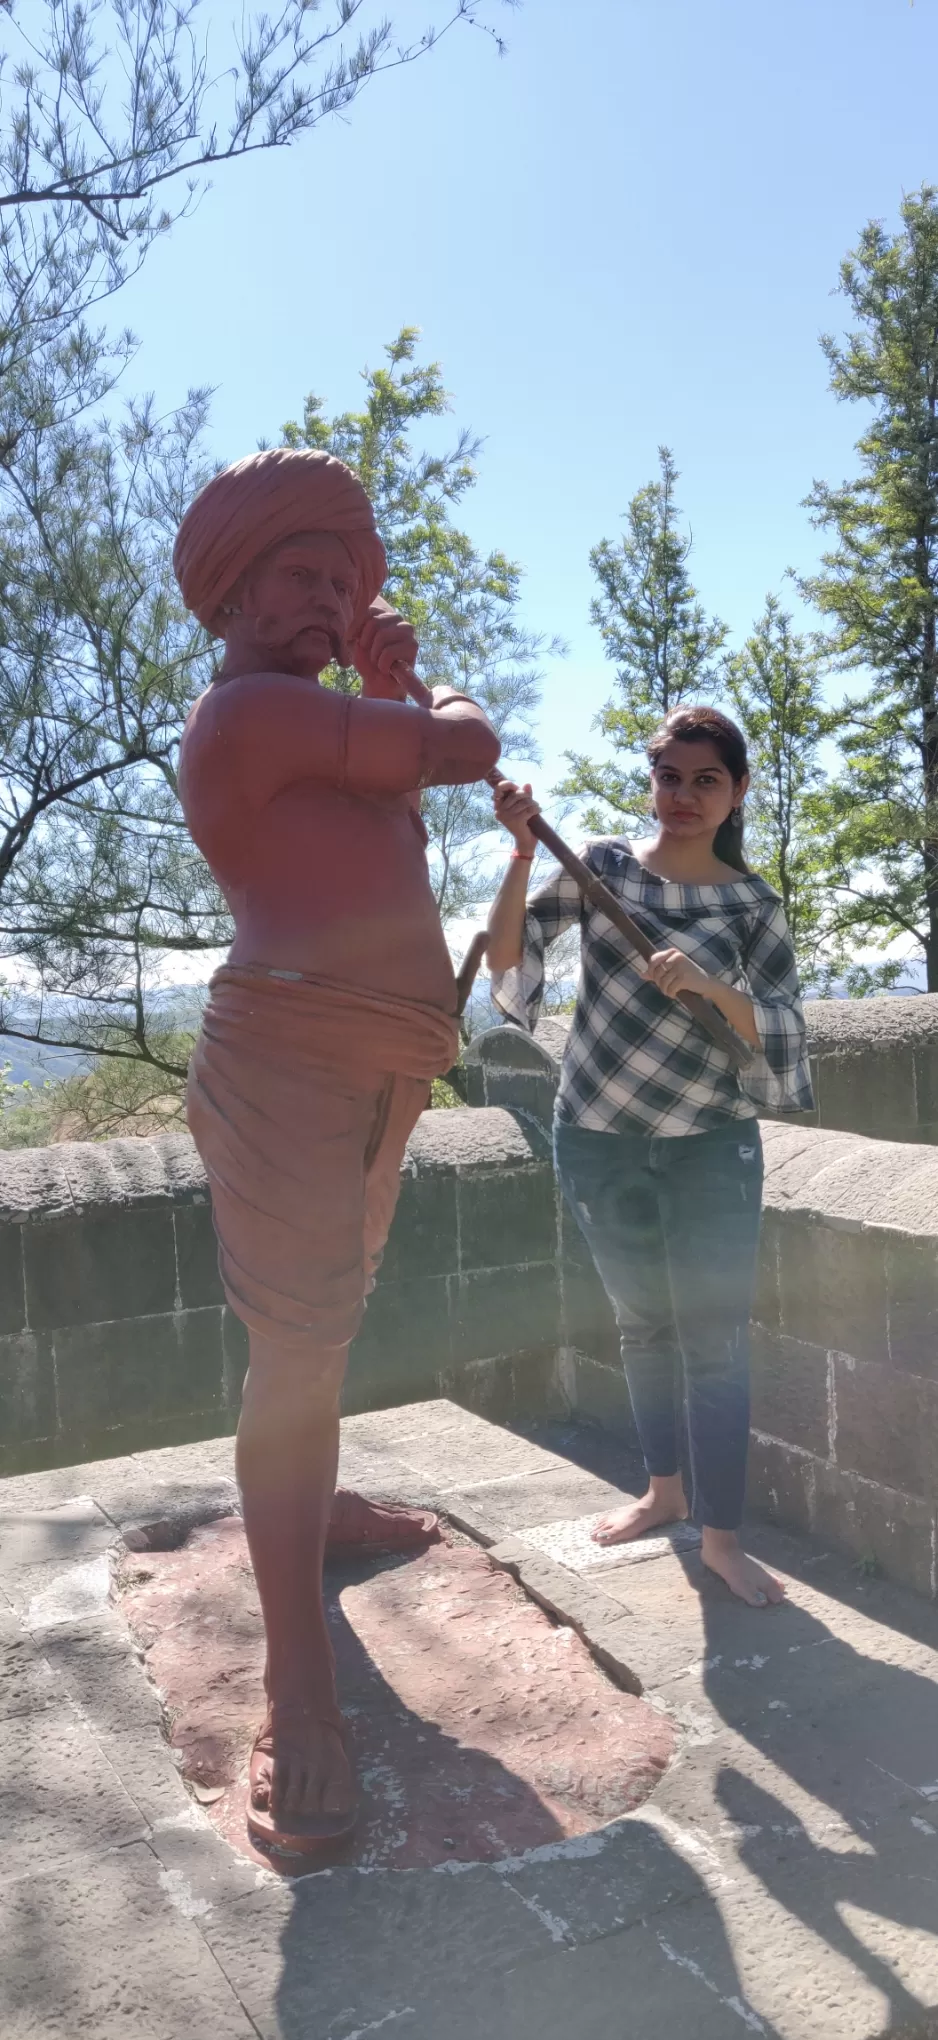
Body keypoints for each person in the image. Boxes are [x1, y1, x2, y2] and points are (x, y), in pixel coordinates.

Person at [173, 447, 500, 1855]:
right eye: (302, 572)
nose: (329, 595)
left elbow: (398, 810)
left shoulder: (315, 720)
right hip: (291, 1067)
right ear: (237, 584)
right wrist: (418, 680)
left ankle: (309, 1512)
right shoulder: (250, 715)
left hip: (378, 1069)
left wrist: (381, 685)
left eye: (344, 576)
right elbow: (461, 750)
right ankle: (298, 1700)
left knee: (328, 1324)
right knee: (297, 1348)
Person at [487, 705, 813, 1609]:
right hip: (597, 1139)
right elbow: (509, 956)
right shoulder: (602, 871)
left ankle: (721, 1539)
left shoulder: (752, 905)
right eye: (670, 776)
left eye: (706, 780)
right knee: (641, 1326)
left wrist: (708, 985)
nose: (683, 796)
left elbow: (784, 1025)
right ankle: (662, 1492)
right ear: (652, 779)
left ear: (738, 792)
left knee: (715, 1343)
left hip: (711, 1148)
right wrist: (519, 854)